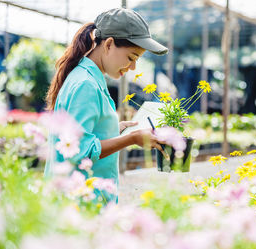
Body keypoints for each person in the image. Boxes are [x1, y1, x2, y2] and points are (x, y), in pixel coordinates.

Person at [44, 8, 168, 203]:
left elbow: (82, 134)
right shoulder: (86, 84)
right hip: (82, 204)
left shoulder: (86, 77)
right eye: (131, 58)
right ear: (109, 44)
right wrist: (132, 139)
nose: (133, 68)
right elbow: (80, 151)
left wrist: (113, 130)